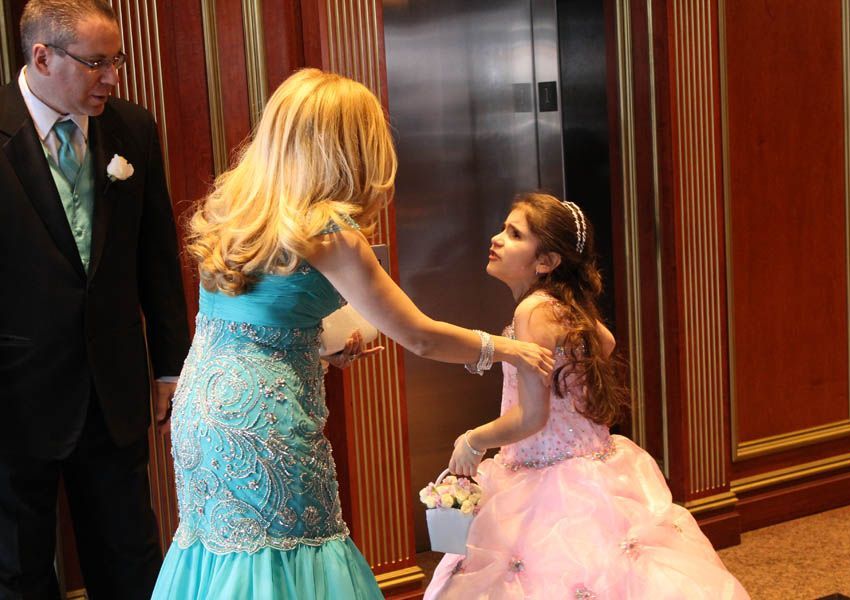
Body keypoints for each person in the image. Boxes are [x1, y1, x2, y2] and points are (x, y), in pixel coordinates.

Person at [150, 68, 555, 599]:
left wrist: (315, 346)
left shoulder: (238, 210)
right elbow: (421, 336)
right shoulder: (328, 229)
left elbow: (250, 324)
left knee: (223, 551)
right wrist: (509, 349)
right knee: (293, 554)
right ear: (350, 149)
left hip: (203, 415)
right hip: (261, 426)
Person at [425, 193, 749, 599]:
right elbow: (607, 341)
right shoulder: (562, 304)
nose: (497, 238)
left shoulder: (533, 310)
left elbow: (531, 418)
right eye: (503, 228)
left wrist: (473, 440)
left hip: (551, 478)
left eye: (514, 233)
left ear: (546, 262)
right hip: (591, 463)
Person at [0, 1, 191, 598]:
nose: (112, 77)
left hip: (113, 391)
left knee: (130, 556)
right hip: (13, 393)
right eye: (96, 63)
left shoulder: (132, 127)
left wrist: (169, 367)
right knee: (18, 567)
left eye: (118, 61)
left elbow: (157, 257)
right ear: (41, 57)